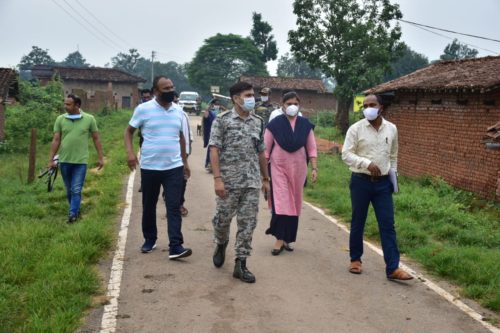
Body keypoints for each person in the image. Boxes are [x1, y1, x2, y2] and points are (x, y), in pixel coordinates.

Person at [341, 94, 413, 280]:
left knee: (387, 224)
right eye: (365, 105)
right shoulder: (356, 129)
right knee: (358, 221)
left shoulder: (392, 129)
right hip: (360, 181)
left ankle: (393, 268)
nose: (368, 108)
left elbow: (393, 156)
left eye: (372, 104)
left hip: (383, 184)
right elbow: (346, 154)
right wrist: (366, 163)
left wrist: (393, 177)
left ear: (381, 107)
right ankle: (355, 260)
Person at [124, 76, 192, 260]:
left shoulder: (178, 111)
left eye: (172, 87)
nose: (170, 90)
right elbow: (129, 132)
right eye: (166, 88)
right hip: (150, 166)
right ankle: (150, 239)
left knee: (174, 206)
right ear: (155, 91)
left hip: (174, 167)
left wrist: (185, 162)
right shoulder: (143, 109)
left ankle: (176, 246)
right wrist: (130, 153)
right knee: (149, 205)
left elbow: (181, 137)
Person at [209, 81, 270, 283]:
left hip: (251, 182)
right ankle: (221, 242)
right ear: (236, 98)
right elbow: (214, 149)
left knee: (248, 223)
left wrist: (265, 178)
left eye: (252, 95)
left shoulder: (258, 122)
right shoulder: (222, 120)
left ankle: (240, 263)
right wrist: (218, 179)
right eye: (248, 95)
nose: (252, 98)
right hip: (228, 182)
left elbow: (261, 151)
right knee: (222, 219)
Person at [264, 91, 318, 254]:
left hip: (298, 170)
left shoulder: (305, 124)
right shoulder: (274, 125)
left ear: (299, 105)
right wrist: (264, 175)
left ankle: (288, 238)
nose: (292, 106)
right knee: (281, 202)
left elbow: (311, 148)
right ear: (282, 106)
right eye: (289, 104)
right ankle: (279, 239)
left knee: (294, 203)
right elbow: (265, 150)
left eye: (295, 103)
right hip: (278, 168)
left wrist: (314, 168)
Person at [48, 94, 104, 223]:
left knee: (76, 189)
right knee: (69, 190)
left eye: (68, 104)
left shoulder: (89, 119)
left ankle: (72, 214)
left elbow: (96, 139)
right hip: (64, 161)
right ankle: (76, 210)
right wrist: (51, 160)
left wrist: (101, 157)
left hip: (80, 161)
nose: (65, 106)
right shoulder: (60, 119)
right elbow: (56, 140)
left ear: (77, 105)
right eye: (65, 104)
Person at [202, 98, 224, 172]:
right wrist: (207, 110)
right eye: (215, 104)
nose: (217, 105)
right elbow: (205, 117)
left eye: (218, 104)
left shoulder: (222, 113)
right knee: (212, 150)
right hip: (213, 134)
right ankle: (210, 165)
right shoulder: (210, 113)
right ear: (212, 105)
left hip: (222, 134)